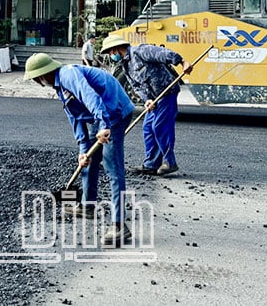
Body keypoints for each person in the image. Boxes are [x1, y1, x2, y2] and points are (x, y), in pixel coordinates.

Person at [23, 52, 135, 247]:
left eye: (35, 79)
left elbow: (89, 96)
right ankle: (87, 205)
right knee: (88, 163)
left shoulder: (68, 75)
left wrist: (103, 126)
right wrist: (83, 150)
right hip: (99, 116)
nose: (36, 82)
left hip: (115, 112)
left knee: (112, 167)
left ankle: (119, 225)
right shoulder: (59, 87)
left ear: (41, 76)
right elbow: (75, 118)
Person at [102, 36, 192, 177]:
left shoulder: (140, 51)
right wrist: (147, 100)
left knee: (160, 127)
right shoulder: (126, 66)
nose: (110, 56)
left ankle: (170, 162)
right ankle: (151, 164)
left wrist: (182, 62)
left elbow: (163, 54)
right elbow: (136, 86)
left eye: (110, 53)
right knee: (148, 128)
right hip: (154, 99)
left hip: (166, 92)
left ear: (115, 49)